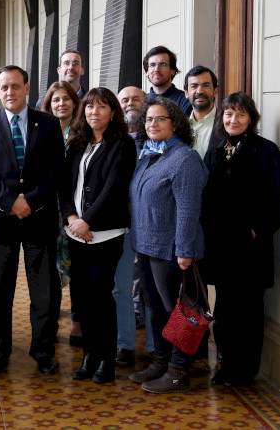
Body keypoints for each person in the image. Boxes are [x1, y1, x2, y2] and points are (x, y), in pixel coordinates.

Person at [0, 65, 64, 377]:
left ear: (27, 88)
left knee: (43, 291)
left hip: (39, 219)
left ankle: (43, 349)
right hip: (0, 221)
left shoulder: (49, 124)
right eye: (4, 87)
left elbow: (55, 169)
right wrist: (10, 202)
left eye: (15, 86)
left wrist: (31, 200)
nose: (9, 92)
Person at [203, 92, 280, 387]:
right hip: (221, 248)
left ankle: (245, 370)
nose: (233, 120)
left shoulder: (266, 151)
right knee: (224, 308)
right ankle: (226, 364)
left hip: (251, 249)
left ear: (251, 118)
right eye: (228, 114)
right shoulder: (215, 151)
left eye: (240, 114)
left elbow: (277, 201)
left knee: (249, 310)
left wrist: (256, 230)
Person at [128, 96, 207, 394]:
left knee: (178, 313)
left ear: (175, 123)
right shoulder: (150, 154)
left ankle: (178, 372)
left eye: (160, 118)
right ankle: (160, 361)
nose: (152, 124)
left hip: (172, 251)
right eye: (148, 119)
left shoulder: (184, 158)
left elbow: (188, 209)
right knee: (156, 309)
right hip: (146, 246)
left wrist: (185, 251)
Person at [59, 88, 136, 384]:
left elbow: (114, 188)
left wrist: (87, 221)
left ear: (113, 112)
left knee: (102, 297)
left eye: (102, 107)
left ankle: (106, 360)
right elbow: (63, 185)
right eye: (90, 107)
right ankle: (89, 355)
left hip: (106, 233)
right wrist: (72, 218)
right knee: (82, 297)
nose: (94, 112)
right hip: (76, 232)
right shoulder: (77, 143)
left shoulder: (123, 144)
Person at [114, 86, 155, 367]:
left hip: (153, 226)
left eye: (136, 99)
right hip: (121, 226)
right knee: (121, 288)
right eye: (124, 100)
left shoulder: (156, 138)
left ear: (146, 104)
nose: (130, 103)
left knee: (152, 289)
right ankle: (125, 344)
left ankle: (156, 348)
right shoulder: (112, 140)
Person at [41, 81, 82, 345]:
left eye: (66, 99)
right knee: (49, 268)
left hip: (76, 210)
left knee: (77, 266)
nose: (61, 104)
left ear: (75, 103)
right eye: (56, 100)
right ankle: (51, 319)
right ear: (49, 105)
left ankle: (78, 323)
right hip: (47, 208)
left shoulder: (83, 133)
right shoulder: (42, 132)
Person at [184, 66, 223, 158]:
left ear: (215, 91)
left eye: (206, 85)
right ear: (186, 93)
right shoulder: (176, 126)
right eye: (194, 86)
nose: (200, 91)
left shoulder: (227, 124)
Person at [143, 46, 192, 116]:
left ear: (172, 71)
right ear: (147, 71)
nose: (156, 69)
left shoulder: (185, 100)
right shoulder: (142, 101)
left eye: (163, 64)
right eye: (152, 65)